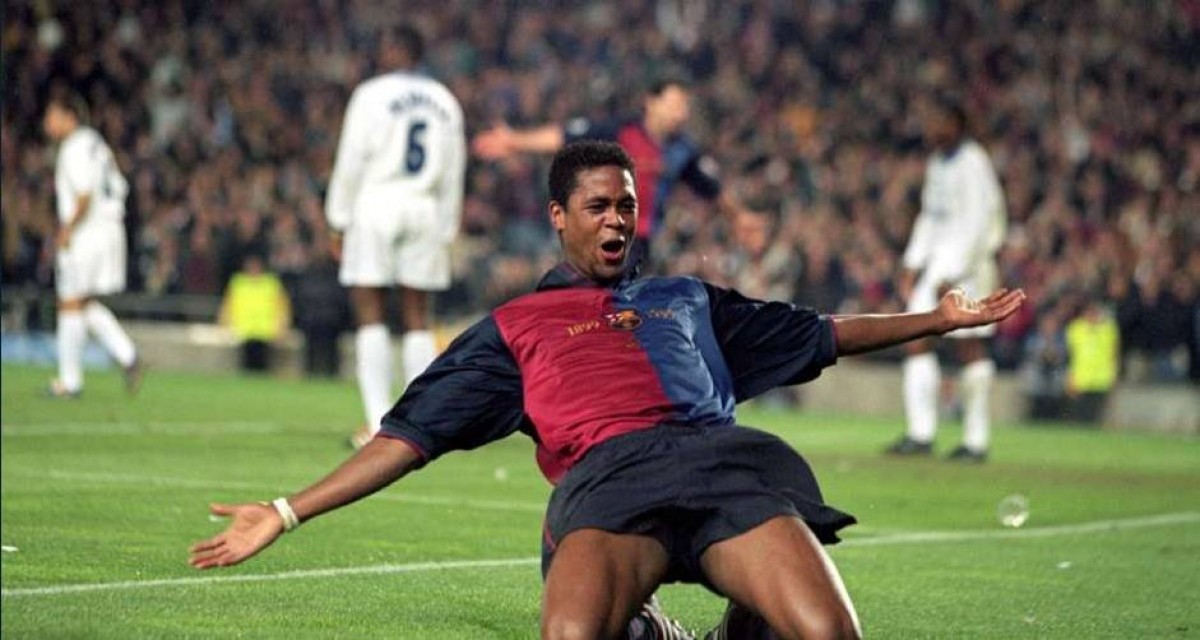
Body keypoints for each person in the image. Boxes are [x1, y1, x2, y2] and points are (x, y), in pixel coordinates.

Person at [191, 141, 1025, 639]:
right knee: (570, 633)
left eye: (626, 206)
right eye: (598, 207)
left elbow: (821, 333)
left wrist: (938, 320)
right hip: (611, 482)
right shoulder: (516, 325)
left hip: (724, 468)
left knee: (828, 633)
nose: (618, 220)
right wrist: (287, 511)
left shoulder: (684, 299)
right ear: (559, 216)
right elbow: (408, 438)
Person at [324, 25, 466, 447]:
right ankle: (419, 422)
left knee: (370, 310)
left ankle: (377, 424)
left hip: (377, 202)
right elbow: (454, 169)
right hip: (424, 206)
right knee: (417, 315)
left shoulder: (371, 94)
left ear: (397, 50)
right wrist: (447, 225)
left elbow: (351, 159)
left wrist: (337, 218)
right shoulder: (444, 100)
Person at [472, 79, 751, 270]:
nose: (681, 113)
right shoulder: (620, 131)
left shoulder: (683, 150)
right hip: (601, 232)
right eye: (675, 104)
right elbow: (563, 137)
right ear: (651, 102)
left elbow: (712, 188)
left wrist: (740, 217)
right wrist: (514, 141)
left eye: (684, 106)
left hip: (640, 243)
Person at [886, 96, 1007, 463]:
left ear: (957, 124)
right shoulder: (937, 163)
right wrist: (912, 263)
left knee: (969, 346)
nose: (932, 128)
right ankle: (921, 433)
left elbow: (982, 221)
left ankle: (976, 440)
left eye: (939, 121)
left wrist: (956, 273)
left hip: (969, 267)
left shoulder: (974, 162)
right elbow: (930, 217)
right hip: (938, 266)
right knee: (915, 338)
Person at [42, 91, 143, 398]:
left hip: (88, 232)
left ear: (69, 116)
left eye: (52, 116)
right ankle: (128, 355)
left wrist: (66, 230)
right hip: (109, 228)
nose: (47, 123)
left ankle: (69, 382)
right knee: (82, 302)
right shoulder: (95, 142)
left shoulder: (74, 147)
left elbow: (84, 195)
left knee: (69, 301)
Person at [218, 253, 292, 373]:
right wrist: (225, 323)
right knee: (246, 365)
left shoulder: (271, 283)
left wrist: (281, 326)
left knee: (263, 365)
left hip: (265, 331)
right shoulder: (238, 283)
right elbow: (227, 305)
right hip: (244, 331)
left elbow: (282, 307)